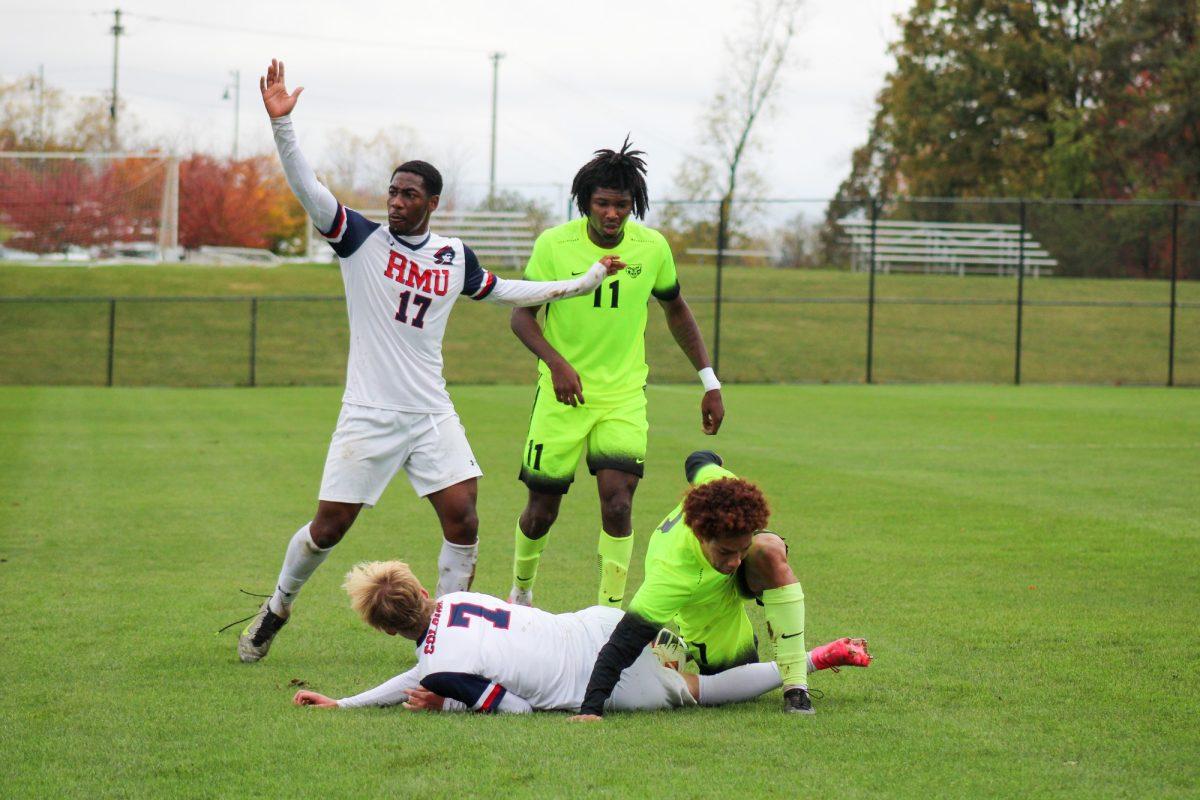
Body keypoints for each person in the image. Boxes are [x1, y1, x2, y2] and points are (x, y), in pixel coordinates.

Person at [235, 59, 621, 664]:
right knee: (329, 529)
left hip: (430, 412)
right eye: (392, 191)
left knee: (464, 520)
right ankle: (277, 606)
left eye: (408, 193)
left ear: (432, 202)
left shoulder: (451, 255)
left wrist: (585, 280)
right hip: (369, 410)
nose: (395, 201)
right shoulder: (357, 238)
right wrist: (284, 126)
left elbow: (509, 291)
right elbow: (307, 187)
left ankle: (443, 645)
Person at [507, 138, 725, 610]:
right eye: (602, 203)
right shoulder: (554, 245)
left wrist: (710, 381)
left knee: (619, 502)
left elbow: (677, 310)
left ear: (634, 206)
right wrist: (557, 364)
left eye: (621, 205)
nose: (611, 213)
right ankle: (521, 592)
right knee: (542, 511)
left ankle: (608, 613)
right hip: (561, 397)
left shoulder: (652, 248)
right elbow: (522, 316)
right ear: (585, 202)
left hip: (624, 395)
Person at [291, 561, 870, 714]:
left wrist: (447, 704)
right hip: (603, 623)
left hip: (602, 675)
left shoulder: (437, 668)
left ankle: (819, 659)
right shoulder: (461, 602)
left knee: (703, 692)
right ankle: (773, 646)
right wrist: (345, 702)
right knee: (696, 661)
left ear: (387, 627)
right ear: (420, 591)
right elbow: (417, 674)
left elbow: (512, 709)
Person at [572, 451, 851, 719]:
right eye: (726, 553)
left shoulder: (723, 489)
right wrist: (591, 709)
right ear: (701, 535)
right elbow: (620, 645)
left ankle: (796, 686)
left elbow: (699, 458)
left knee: (769, 549)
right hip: (704, 604)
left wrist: (741, 552)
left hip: (724, 573)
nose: (736, 562)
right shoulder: (672, 575)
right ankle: (676, 644)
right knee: (738, 676)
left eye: (741, 549)